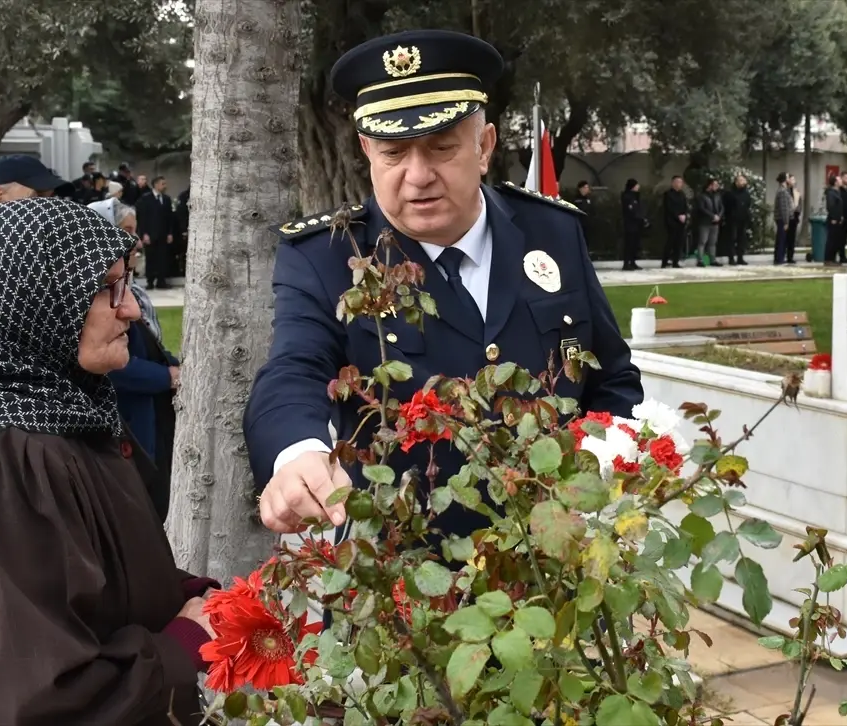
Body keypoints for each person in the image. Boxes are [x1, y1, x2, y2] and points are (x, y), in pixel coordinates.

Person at [244, 29, 643, 540]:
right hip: (405, 585)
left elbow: (610, 378)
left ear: (484, 147)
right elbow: (292, 371)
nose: (417, 175)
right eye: (393, 152)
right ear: (367, 149)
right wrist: (298, 452)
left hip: (556, 568)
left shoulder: (552, 231)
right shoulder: (325, 257)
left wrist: (603, 467)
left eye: (440, 148)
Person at [0, 197, 217, 724]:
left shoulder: (60, 409)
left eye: (128, 283)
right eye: (107, 289)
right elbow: (43, 696)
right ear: (29, 301)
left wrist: (180, 593)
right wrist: (184, 642)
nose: (133, 310)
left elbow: (77, 569)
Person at [90, 198, 182, 515]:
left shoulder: (131, 287)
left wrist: (173, 364)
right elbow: (113, 365)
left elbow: (149, 340)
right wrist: (165, 376)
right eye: (126, 231)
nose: (128, 309)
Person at [722, 174, 751, 266]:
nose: (743, 182)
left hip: (743, 219)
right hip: (732, 219)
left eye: (744, 180)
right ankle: (731, 258)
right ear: (736, 182)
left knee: (741, 239)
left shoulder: (746, 194)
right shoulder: (730, 193)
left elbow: (748, 205)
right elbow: (726, 206)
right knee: (732, 238)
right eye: (740, 180)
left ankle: (740, 258)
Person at [661, 176, 689, 268]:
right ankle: (665, 261)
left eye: (680, 182)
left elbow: (685, 206)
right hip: (671, 221)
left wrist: (685, 215)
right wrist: (677, 215)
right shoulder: (668, 194)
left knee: (679, 242)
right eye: (677, 182)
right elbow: (669, 208)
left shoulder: (682, 194)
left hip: (681, 222)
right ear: (672, 183)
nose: (679, 184)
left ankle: (675, 261)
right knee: (670, 242)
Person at [621, 178, 647, 270]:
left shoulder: (636, 196)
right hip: (630, 224)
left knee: (635, 244)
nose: (638, 187)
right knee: (629, 244)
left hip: (637, 224)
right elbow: (630, 210)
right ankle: (626, 263)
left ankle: (632, 261)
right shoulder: (627, 197)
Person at [823, 174, 844, 266]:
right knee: (831, 240)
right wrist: (834, 217)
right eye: (839, 180)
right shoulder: (831, 193)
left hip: (838, 219)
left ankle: (833, 258)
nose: (841, 181)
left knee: (836, 240)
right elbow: (831, 206)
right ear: (835, 182)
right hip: (833, 219)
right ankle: (828, 259)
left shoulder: (837, 192)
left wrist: (840, 216)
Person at [772, 173, 793, 265]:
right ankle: (779, 258)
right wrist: (786, 222)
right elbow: (784, 208)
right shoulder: (783, 192)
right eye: (788, 177)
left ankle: (778, 257)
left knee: (781, 238)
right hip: (782, 219)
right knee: (781, 239)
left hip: (781, 218)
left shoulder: (783, 190)